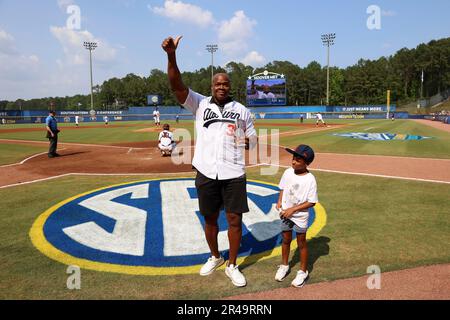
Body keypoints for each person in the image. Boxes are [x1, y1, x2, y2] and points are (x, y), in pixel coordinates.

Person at [162, 35, 257, 287]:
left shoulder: (242, 111)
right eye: (217, 83)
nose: (221, 87)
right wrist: (171, 55)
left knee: (235, 220)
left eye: (225, 84)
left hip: (234, 173)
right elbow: (176, 84)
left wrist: (248, 141)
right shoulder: (200, 104)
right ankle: (215, 256)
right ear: (212, 86)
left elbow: (253, 139)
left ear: (230, 86)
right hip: (206, 172)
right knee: (211, 219)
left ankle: (233, 264)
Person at [275, 144, 318, 288]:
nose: (293, 162)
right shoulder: (287, 172)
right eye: (293, 158)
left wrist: (293, 210)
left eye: (298, 160)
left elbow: (312, 202)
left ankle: (303, 271)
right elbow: (282, 187)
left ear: (307, 163)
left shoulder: (310, 179)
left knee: (301, 244)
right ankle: (284, 265)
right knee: (285, 239)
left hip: (299, 216)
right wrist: (280, 200)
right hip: (285, 213)